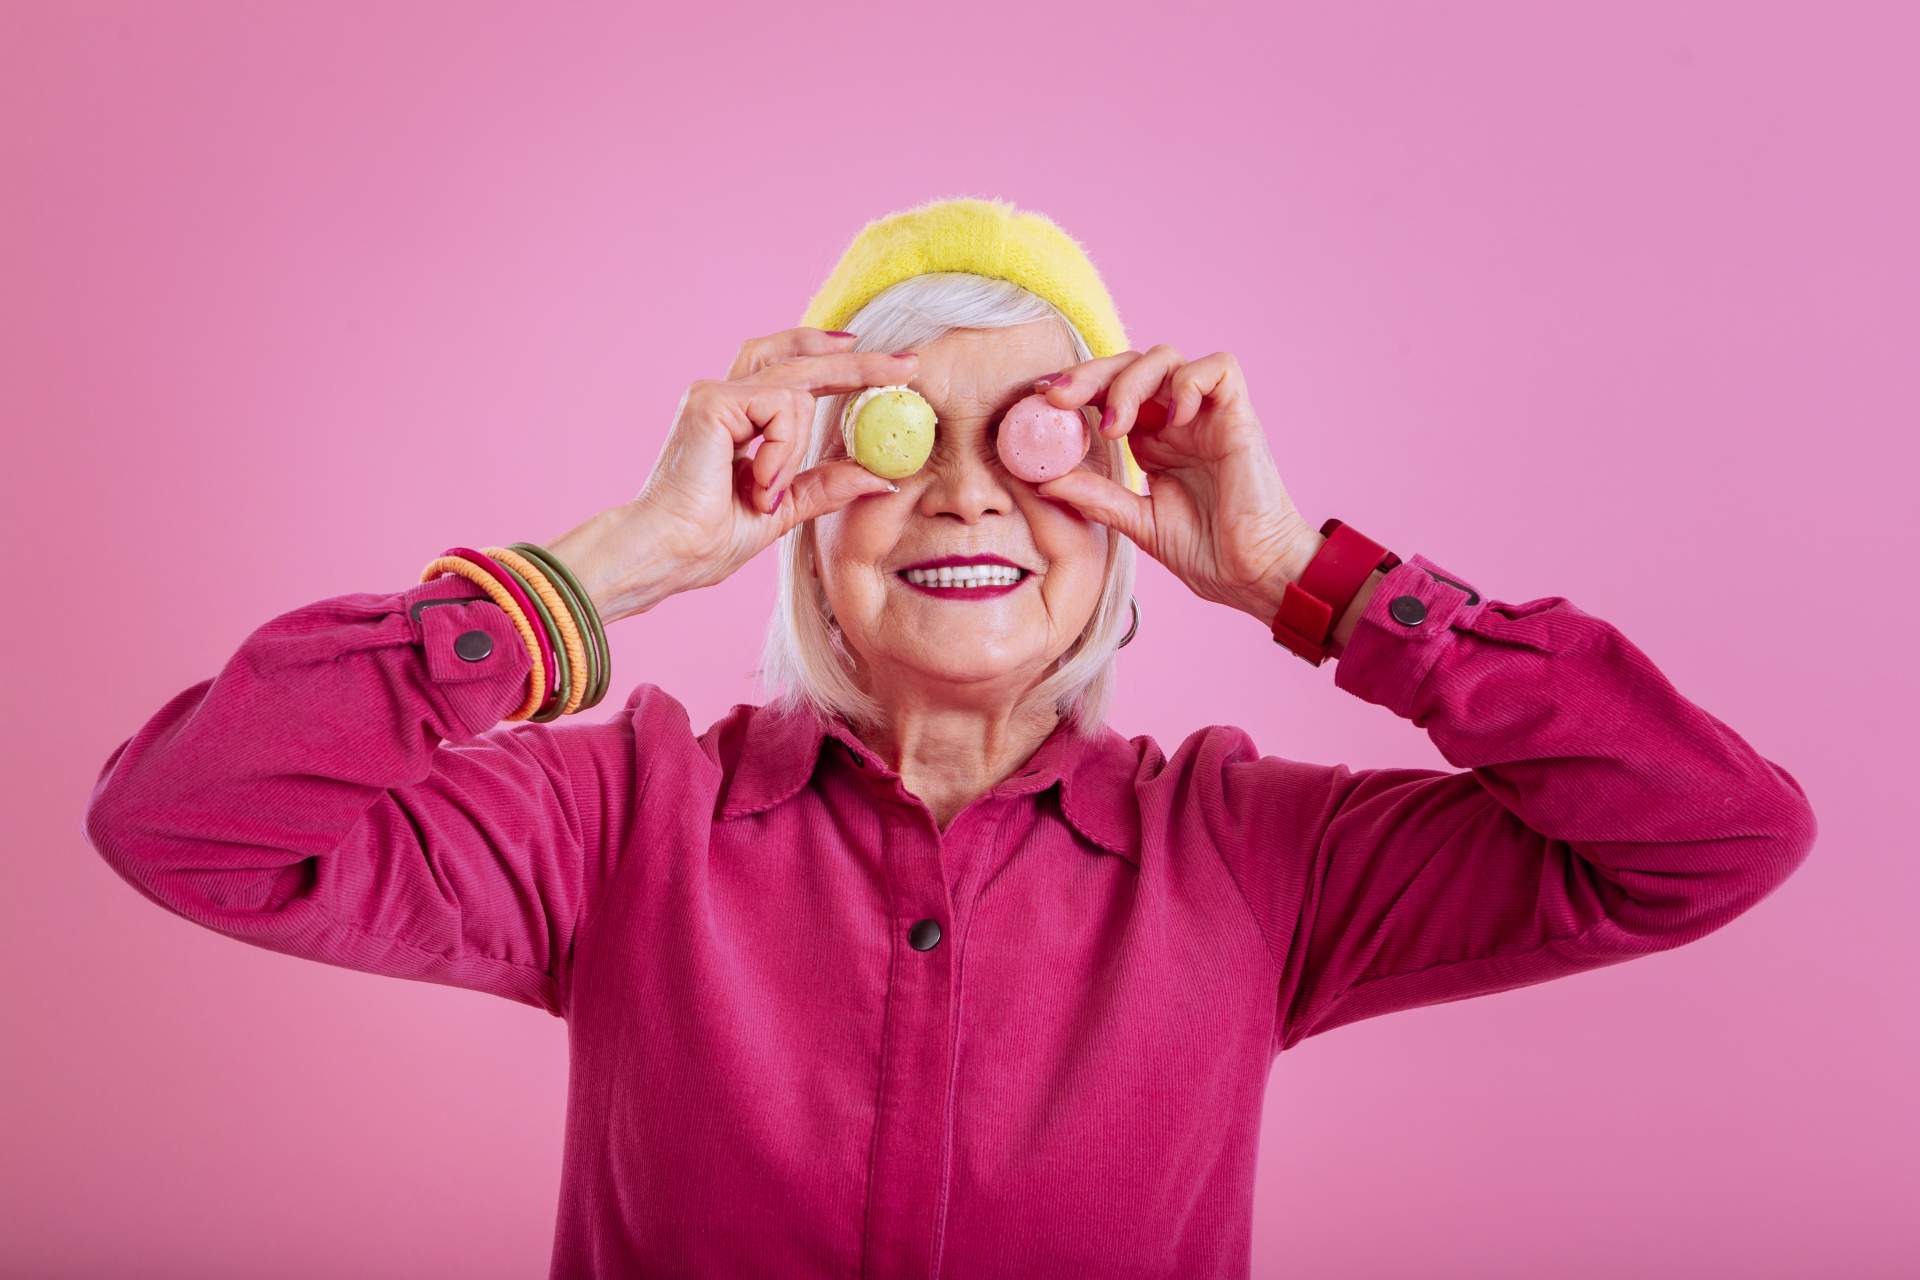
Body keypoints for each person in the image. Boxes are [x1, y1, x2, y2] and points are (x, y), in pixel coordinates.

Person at [83, 196, 1818, 1278]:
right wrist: (620, 560)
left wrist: (1304, 575)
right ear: (806, 515)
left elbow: (1710, 836)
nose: (973, 486)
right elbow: (188, 824)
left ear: (1127, 501)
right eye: (905, 438)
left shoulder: (1254, 858)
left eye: (1040, 434)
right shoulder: (622, 820)